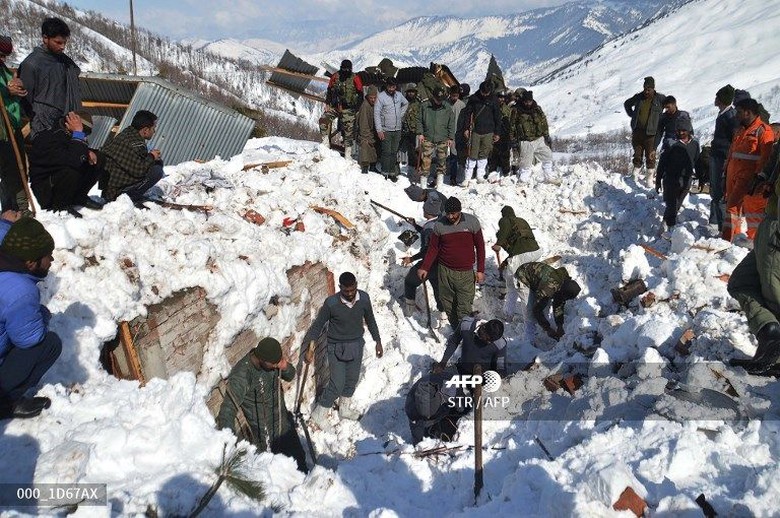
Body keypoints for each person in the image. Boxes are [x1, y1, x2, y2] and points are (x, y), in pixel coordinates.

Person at [302, 272, 382, 429]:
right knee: (337, 384)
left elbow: (371, 320)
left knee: (351, 380)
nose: (351, 294)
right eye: (347, 291)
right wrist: (310, 346)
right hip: (336, 346)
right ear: (340, 288)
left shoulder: (364, 299)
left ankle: (344, 409)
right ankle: (318, 415)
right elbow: (318, 324)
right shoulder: (331, 303)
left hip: (356, 345)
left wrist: (377, 341)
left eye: (353, 289)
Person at [0, 218, 62, 420]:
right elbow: (29, 339)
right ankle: (6, 403)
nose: (51, 260)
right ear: (30, 262)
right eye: (47, 256)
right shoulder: (20, 291)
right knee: (50, 344)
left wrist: (5, 222)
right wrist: (43, 314)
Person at [216, 337, 308, 472]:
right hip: (266, 434)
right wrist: (228, 447)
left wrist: (285, 367)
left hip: (284, 423)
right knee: (277, 472)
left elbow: (290, 375)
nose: (277, 366)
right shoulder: (242, 375)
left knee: (299, 460)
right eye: (274, 364)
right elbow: (227, 411)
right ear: (263, 360)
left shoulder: (271, 360)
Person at [418, 197, 485, 329]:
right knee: (448, 304)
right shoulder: (439, 225)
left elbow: (480, 246)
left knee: (464, 306)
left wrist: (480, 270)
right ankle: (457, 330)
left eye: (454, 213)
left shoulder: (472, 222)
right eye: (448, 213)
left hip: (465, 272)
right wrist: (425, 267)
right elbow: (433, 248)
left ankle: (465, 334)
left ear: (460, 211)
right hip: (445, 271)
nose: (450, 216)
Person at [28, 111, 104, 218]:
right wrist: (78, 134)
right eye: (83, 132)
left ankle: (79, 197)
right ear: (69, 125)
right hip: (47, 189)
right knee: (71, 169)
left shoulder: (68, 134)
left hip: (62, 181)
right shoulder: (50, 137)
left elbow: (74, 151)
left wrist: (86, 150)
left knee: (99, 158)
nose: (84, 136)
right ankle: (61, 207)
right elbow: (73, 160)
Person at [18, 18, 82, 140]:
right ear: (45, 38)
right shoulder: (32, 64)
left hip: (66, 122)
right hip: (42, 124)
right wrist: (43, 111)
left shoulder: (65, 62)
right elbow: (26, 98)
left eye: (64, 43)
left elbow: (74, 74)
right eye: (58, 42)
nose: (62, 47)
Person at [721, 98, 774, 243]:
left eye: (738, 112)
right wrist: (725, 174)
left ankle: (735, 240)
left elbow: (767, 158)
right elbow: (732, 152)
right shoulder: (740, 130)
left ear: (748, 113)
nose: (736, 115)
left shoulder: (763, 131)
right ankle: (734, 238)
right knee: (731, 208)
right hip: (733, 175)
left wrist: (758, 178)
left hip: (748, 178)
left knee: (739, 208)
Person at [101, 110, 164, 204]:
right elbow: (139, 170)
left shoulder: (127, 133)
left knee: (155, 164)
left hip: (109, 186)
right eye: (153, 128)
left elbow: (135, 160)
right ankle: (131, 196)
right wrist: (152, 156)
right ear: (146, 130)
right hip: (115, 192)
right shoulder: (136, 144)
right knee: (157, 170)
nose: (154, 131)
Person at [0, 34, 32, 215]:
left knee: (19, 168)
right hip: (1, 129)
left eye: (5, 56)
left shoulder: (3, 69)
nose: (3, 59)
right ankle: (17, 208)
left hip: (12, 124)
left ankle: (12, 207)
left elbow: (12, 88)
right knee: (10, 168)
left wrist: (18, 86)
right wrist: (6, 90)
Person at [493, 206, 543, 317]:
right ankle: (535, 306)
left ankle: (509, 314)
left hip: (521, 256)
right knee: (528, 283)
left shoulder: (505, 220)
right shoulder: (521, 222)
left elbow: (504, 231)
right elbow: (519, 247)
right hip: (535, 252)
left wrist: (498, 243)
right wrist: (505, 263)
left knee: (513, 286)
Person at [402, 194, 444, 321]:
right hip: (441, 263)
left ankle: (409, 311)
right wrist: (415, 225)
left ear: (427, 211)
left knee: (410, 282)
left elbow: (428, 251)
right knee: (437, 287)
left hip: (429, 263)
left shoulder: (428, 229)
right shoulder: (440, 222)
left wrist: (411, 258)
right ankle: (443, 310)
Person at [655, 117, 700, 235]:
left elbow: (697, 161)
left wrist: (700, 177)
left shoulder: (695, 144)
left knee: (677, 204)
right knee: (672, 204)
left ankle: (666, 222)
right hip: (671, 178)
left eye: (683, 130)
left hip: (687, 179)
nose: (681, 132)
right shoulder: (670, 144)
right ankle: (670, 229)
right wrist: (658, 180)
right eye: (678, 130)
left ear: (689, 130)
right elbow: (662, 163)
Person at [515, 262, 580, 341]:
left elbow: (558, 304)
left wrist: (560, 325)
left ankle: (542, 329)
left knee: (545, 305)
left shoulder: (563, 284)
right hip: (523, 276)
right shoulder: (549, 288)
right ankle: (528, 338)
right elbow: (537, 310)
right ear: (563, 292)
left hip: (539, 281)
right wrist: (548, 329)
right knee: (529, 310)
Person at [624, 76, 666, 187]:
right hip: (638, 132)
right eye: (645, 89)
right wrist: (632, 115)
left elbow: (670, 105)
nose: (646, 92)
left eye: (649, 89)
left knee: (650, 156)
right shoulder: (639, 98)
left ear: (653, 88)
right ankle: (634, 176)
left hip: (651, 134)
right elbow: (627, 104)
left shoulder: (660, 99)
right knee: (637, 154)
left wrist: (664, 119)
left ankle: (649, 179)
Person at [405, 371, 467, 445]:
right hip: (424, 404)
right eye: (427, 417)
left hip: (443, 385)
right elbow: (416, 431)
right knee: (420, 436)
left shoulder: (450, 388)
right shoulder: (410, 407)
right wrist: (418, 445)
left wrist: (462, 412)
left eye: (430, 416)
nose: (428, 417)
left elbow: (459, 401)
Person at [433, 317, 507, 377]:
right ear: (483, 328)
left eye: (492, 340)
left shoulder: (500, 344)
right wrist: (443, 362)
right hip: (461, 368)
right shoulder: (466, 326)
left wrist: (498, 375)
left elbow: (500, 365)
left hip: (483, 377)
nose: (489, 342)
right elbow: (454, 342)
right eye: (488, 339)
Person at [320, 59, 363, 159]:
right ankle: (325, 143)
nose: (345, 71)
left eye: (348, 69)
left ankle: (348, 154)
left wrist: (356, 109)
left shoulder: (355, 78)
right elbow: (329, 90)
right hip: (335, 106)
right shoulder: (335, 76)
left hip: (349, 108)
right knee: (323, 120)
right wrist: (327, 103)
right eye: (344, 69)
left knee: (349, 132)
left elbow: (360, 93)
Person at [709, 84, 738, 232]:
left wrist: (728, 156)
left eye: (717, 97)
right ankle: (714, 221)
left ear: (721, 99)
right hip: (717, 155)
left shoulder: (730, 116)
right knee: (715, 189)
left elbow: (735, 139)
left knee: (720, 190)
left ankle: (722, 227)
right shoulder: (723, 114)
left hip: (722, 157)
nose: (715, 99)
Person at [509, 90, 553, 183]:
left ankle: (548, 177)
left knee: (547, 157)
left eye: (530, 101)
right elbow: (512, 126)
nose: (528, 103)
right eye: (526, 101)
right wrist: (512, 140)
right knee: (525, 164)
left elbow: (543, 122)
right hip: (525, 141)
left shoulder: (537, 109)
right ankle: (523, 181)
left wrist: (546, 135)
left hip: (539, 138)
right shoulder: (516, 110)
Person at [461, 81, 500, 183]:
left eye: (487, 93)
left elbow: (497, 117)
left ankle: (480, 176)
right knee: (472, 154)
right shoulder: (474, 99)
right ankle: (467, 177)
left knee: (484, 154)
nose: (485, 95)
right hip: (475, 131)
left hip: (489, 131)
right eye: (483, 92)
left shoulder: (494, 100)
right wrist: (466, 128)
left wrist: (497, 132)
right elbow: (467, 114)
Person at [417, 86, 455, 188]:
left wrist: (451, 137)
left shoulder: (447, 107)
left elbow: (451, 122)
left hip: (443, 137)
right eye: (437, 99)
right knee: (426, 160)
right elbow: (419, 120)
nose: (439, 102)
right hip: (428, 137)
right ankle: (423, 184)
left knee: (442, 160)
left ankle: (440, 183)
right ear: (432, 97)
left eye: (441, 100)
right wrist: (420, 133)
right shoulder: (425, 106)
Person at [374, 77, 408, 182]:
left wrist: (400, 114)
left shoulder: (399, 95)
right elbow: (376, 113)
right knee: (386, 152)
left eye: (393, 87)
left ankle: (392, 172)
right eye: (389, 86)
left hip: (397, 129)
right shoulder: (381, 97)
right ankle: (385, 172)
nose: (391, 89)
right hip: (385, 129)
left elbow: (406, 103)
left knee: (394, 151)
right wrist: (379, 129)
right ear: (386, 86)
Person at [487, 89, 512, 176]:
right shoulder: (491, 107)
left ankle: (506, 172)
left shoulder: (508, 109)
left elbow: (511, 122)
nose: (501, 99)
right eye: (500, 97)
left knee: (505, 154)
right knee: (492, 154)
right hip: (493, 132)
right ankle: (492, 171)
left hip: (504, 134)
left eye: (503, 98)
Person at [446, 85, 466, 185]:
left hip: (457, 133)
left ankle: (453, 177)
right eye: (453, 95)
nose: (454, 98)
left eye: (456, 96)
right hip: (446, 133)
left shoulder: (462, 105)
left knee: (454, 156)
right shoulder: (445, 103)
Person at [356, 85, 379, 175]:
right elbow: (363, 126)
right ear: (368, 97)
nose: (373, 100)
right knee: (365, 142)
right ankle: (365, 166)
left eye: (374, 98)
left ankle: (373, 165)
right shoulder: (365, 106)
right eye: (371, 98)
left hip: (374, 130)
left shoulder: (376, 104)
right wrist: (369, 137)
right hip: (365, 132)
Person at [400, 83, 420, 171]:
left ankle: (414, 169)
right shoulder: (402, 102)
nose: (411, 94)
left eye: (412, 92)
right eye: (409, 92)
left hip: (414, 131)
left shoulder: (419, 104)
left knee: (414, 152)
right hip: (402, 130)